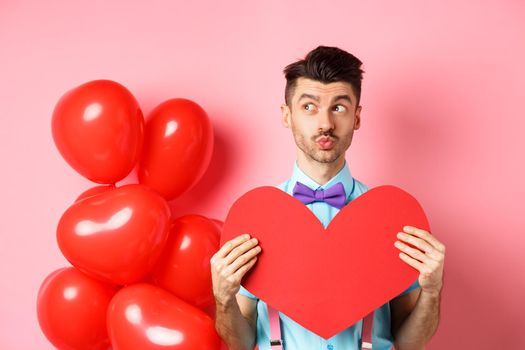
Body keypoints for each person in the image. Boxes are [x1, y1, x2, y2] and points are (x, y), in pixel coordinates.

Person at [211, 46, 445, 350]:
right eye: (309, 107)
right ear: (287, 115)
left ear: (357, 117)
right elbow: (240, 343)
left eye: (339, 107)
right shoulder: (256, 217)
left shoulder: (392, 217)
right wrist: (223, 298)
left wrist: (432, 290)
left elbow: (410, 342)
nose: (325, 124)